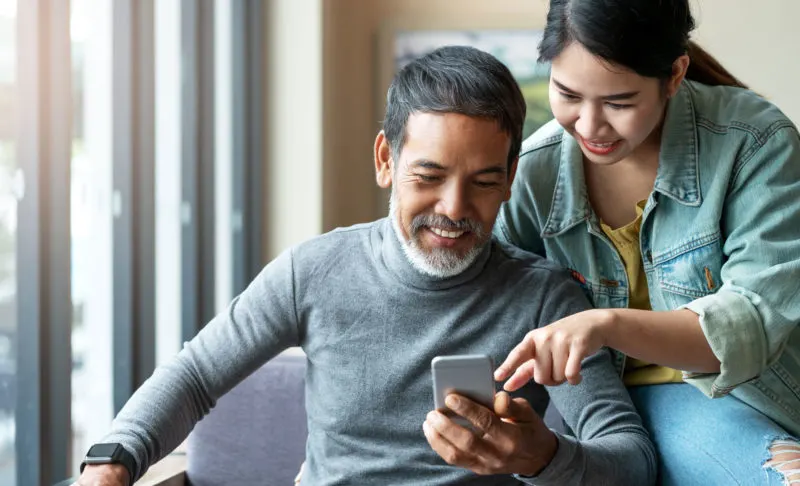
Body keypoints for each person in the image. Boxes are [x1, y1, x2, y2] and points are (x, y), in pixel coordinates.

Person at [73, 46, 656, 486]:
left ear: (508, 180)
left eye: (483, 182)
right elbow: (196, 376)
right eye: (428, 177)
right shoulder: (316, 270)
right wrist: (114, 457)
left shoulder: (545, 300)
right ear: (385, 160)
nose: (454, 210)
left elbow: (631, 456)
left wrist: (543, 458)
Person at [491, 0, 800, 484]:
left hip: (733, 395)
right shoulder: (534, 173)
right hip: (593, 408)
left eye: (618, 103)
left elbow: (751, 323)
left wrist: (605, 325)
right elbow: (483, 301)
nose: (589, 127)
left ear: (674, 75)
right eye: (567, 93)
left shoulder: (753, 140)